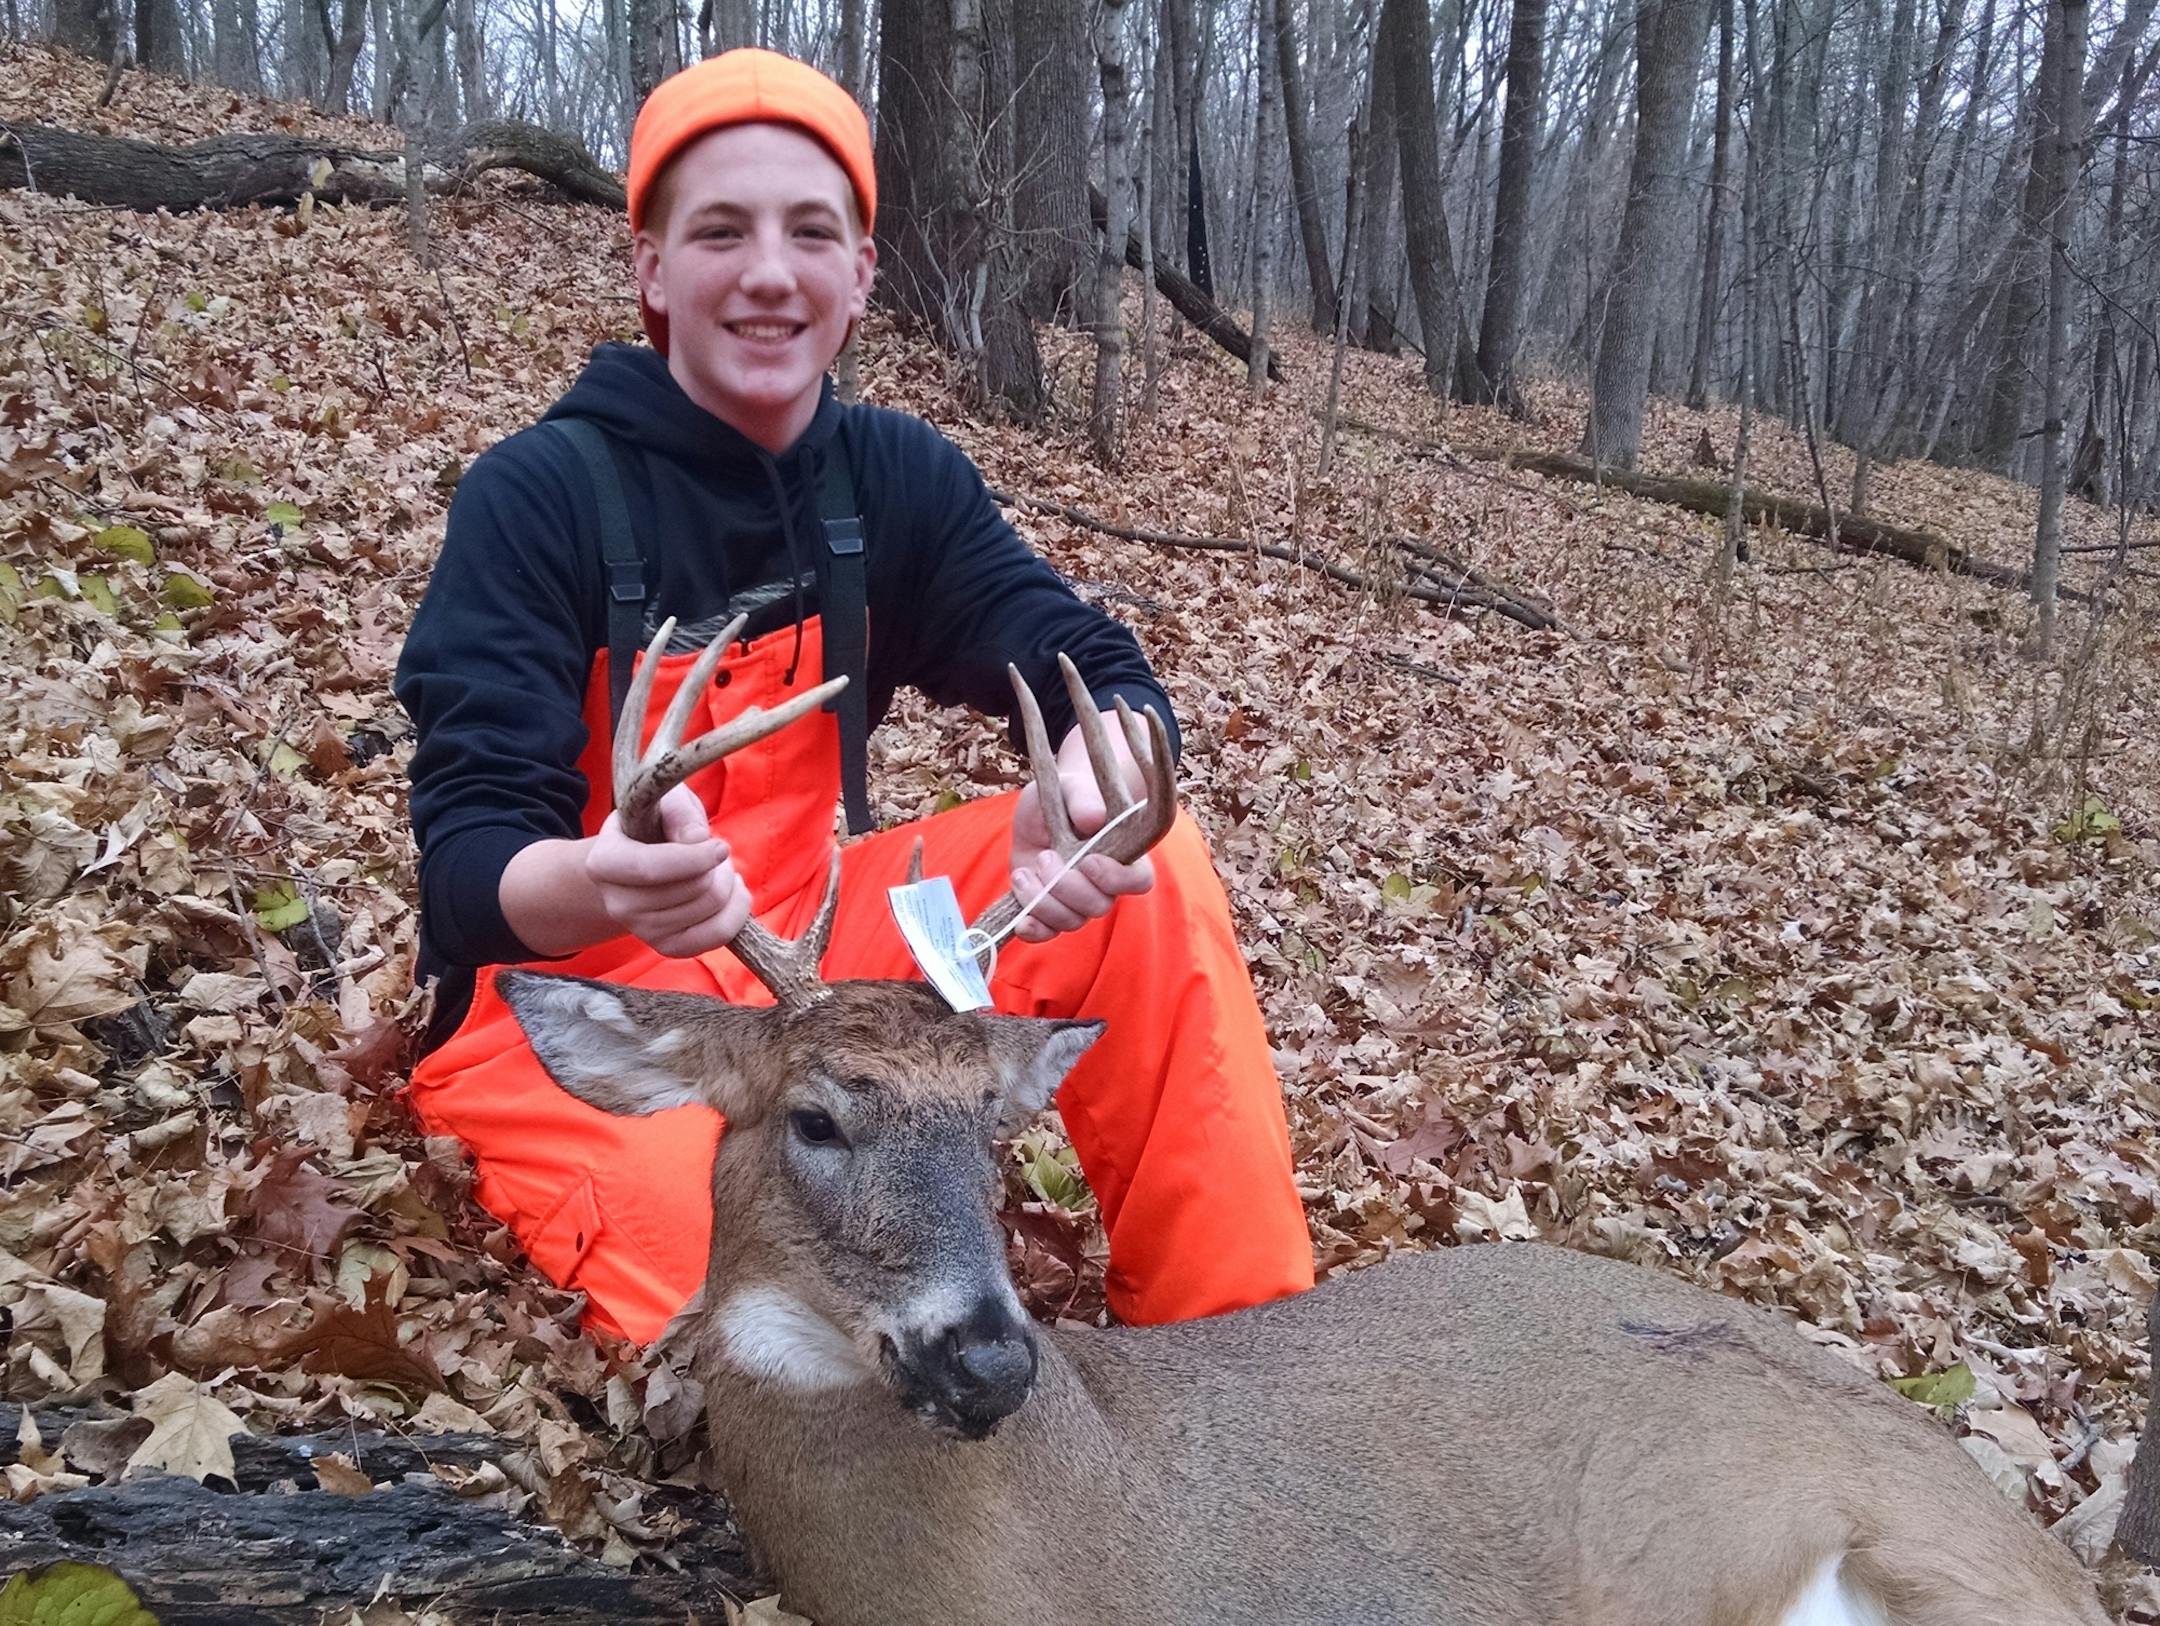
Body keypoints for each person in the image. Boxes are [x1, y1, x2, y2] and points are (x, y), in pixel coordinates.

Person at [393, 48, 1314, 1346]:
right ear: (652, 267)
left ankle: (1250, 1365)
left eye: (810, 231)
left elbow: (1077, 648)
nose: (770, 270)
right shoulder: (536, 497)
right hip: (589, 1007)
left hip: (813, 968)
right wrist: (607, 879)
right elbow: (466, 868)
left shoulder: (890, 479)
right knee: (736, 1285)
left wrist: (1114, 764)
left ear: (861, 275)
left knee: (1155, 871)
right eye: (720, 229)